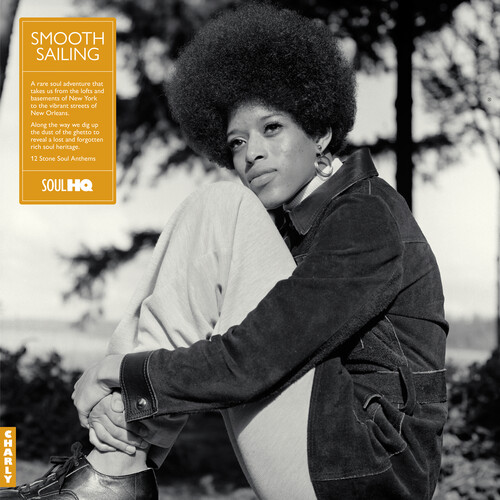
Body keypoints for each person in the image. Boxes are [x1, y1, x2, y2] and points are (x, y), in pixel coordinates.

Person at [1, 4, 448, 500]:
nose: (250, 153)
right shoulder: (297, 229)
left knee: (220, 205)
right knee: (219, 210)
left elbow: (250, 361)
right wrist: (129, 388)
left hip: (367, 468)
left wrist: (115, 374)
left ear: (320, 132)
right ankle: (113, 467)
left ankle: (113, 470)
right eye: (236, 142)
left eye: (272, 128)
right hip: (333, 458)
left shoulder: (365, 215)